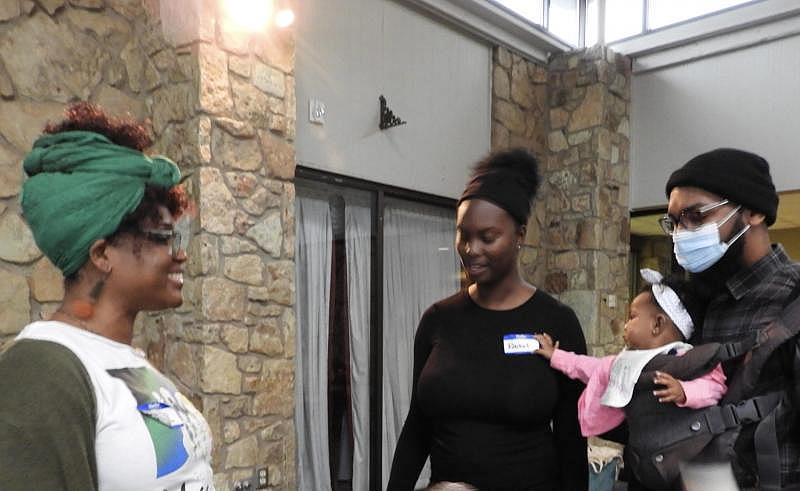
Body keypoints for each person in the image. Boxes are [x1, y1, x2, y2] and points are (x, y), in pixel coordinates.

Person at [0, 102, 214, 490]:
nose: (179, 254)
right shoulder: (40, 371)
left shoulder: (125, 361)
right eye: (163, 237)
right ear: (101, 254)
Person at [387, 148, 588, 491]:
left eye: (487, 237)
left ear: (520, 235)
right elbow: (417, 426)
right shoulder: (438, 320)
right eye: (463, 234)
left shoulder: (557, 322)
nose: (471, 248)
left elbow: (571, 439)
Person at [663, 148, 800, 488]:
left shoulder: (792, 298)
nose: (681, 233)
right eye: (675, 221)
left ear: (752, 212)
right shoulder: (689, 302)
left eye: (695, 216)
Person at [534, 268, 727, 438]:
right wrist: (555, 356)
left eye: (632, 317)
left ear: (657, 324)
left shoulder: (686, 359)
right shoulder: (626, 362)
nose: (625, 325)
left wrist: (684, 391)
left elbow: (714, 388)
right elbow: (589, 366)